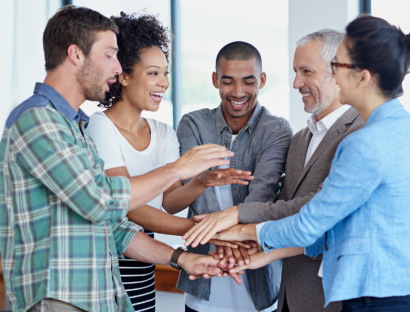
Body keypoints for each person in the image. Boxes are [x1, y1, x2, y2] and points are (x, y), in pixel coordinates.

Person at [185, 15, 410, 312]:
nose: (334, 74)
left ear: (363, 77)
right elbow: (340, 227)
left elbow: (311, 223)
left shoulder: (365, 143)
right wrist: (264, 253)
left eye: (338, 66)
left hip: (383, 301)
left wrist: (238, 230)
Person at [0, 6, 237, 312]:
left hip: (99, 299)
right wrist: (178, 169)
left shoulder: (76, 128)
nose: (117, 67)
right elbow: (102, 200)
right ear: (76, 54)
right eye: (110, 54)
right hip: (58, 300)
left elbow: (112, 225)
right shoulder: (38, 121)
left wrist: (181, 258)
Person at [184, 29, 364, 312]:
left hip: (333, 298)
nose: (295, 83)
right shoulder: (302, 137)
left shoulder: (361, 133)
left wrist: (237, 219)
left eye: (306, 72)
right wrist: (256, 248)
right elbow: (284, 204)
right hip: (287, 296)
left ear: (338, 72)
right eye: (295, 71)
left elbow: (316, 210)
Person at [85, 12, 254, 312]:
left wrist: (202, 181)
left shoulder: (163, 132)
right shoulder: (100, 127)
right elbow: (128, 205)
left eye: (165, 73)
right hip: (108, 262)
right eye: (153, 73)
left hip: (144, 262)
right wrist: (206, 231)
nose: (164, 83)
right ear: (123, 75)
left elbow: (171, 202)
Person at [176, 41, 293, 312]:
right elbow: (199, 195)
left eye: (248, 82)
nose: (238, 92)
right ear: (216, 80)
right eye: (228, 81)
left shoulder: (277, 130)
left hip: (260, 288)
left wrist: (222, 233)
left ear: (262, 80)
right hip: (203, 288)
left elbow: (260, 199)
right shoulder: (192, 124)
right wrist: (229, 237)